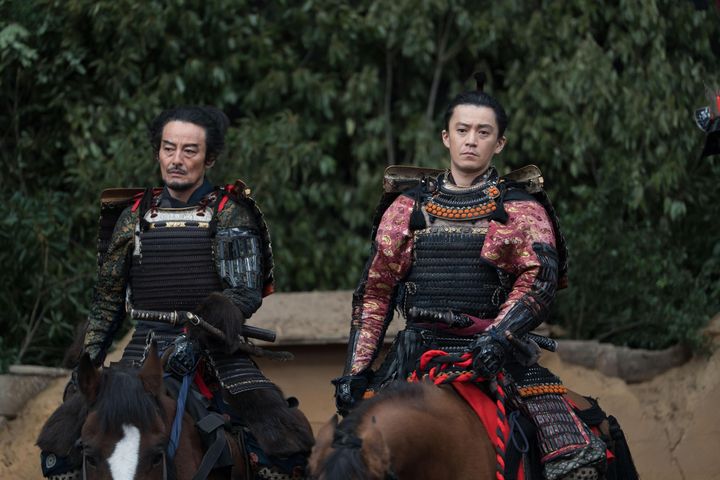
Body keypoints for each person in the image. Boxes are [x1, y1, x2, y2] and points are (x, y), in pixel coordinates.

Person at [333, 78, 607, 480]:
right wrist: (355, 371)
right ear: (446, 137)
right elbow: (376, 293)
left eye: (483, 132)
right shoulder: (406, 208)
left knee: (577, 461)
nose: (471, 140)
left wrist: (497, 338)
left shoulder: (521, 208)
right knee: (347, 455)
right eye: (462, 130)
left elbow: (538, 281)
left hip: (498, 356)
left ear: (500, 143)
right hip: (413, 356)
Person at [40, 106, 312, 480]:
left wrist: (196, 339)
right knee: (60, 454)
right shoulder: (133, 216)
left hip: (216, 351)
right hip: (142, 350)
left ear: (209, 158)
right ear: (158, 152)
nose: (176, 160)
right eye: (169, 149)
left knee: (281, 454)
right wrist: (88, 358)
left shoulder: (230, 212)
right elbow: (107, 302)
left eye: (189, 150)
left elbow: (243, 292)